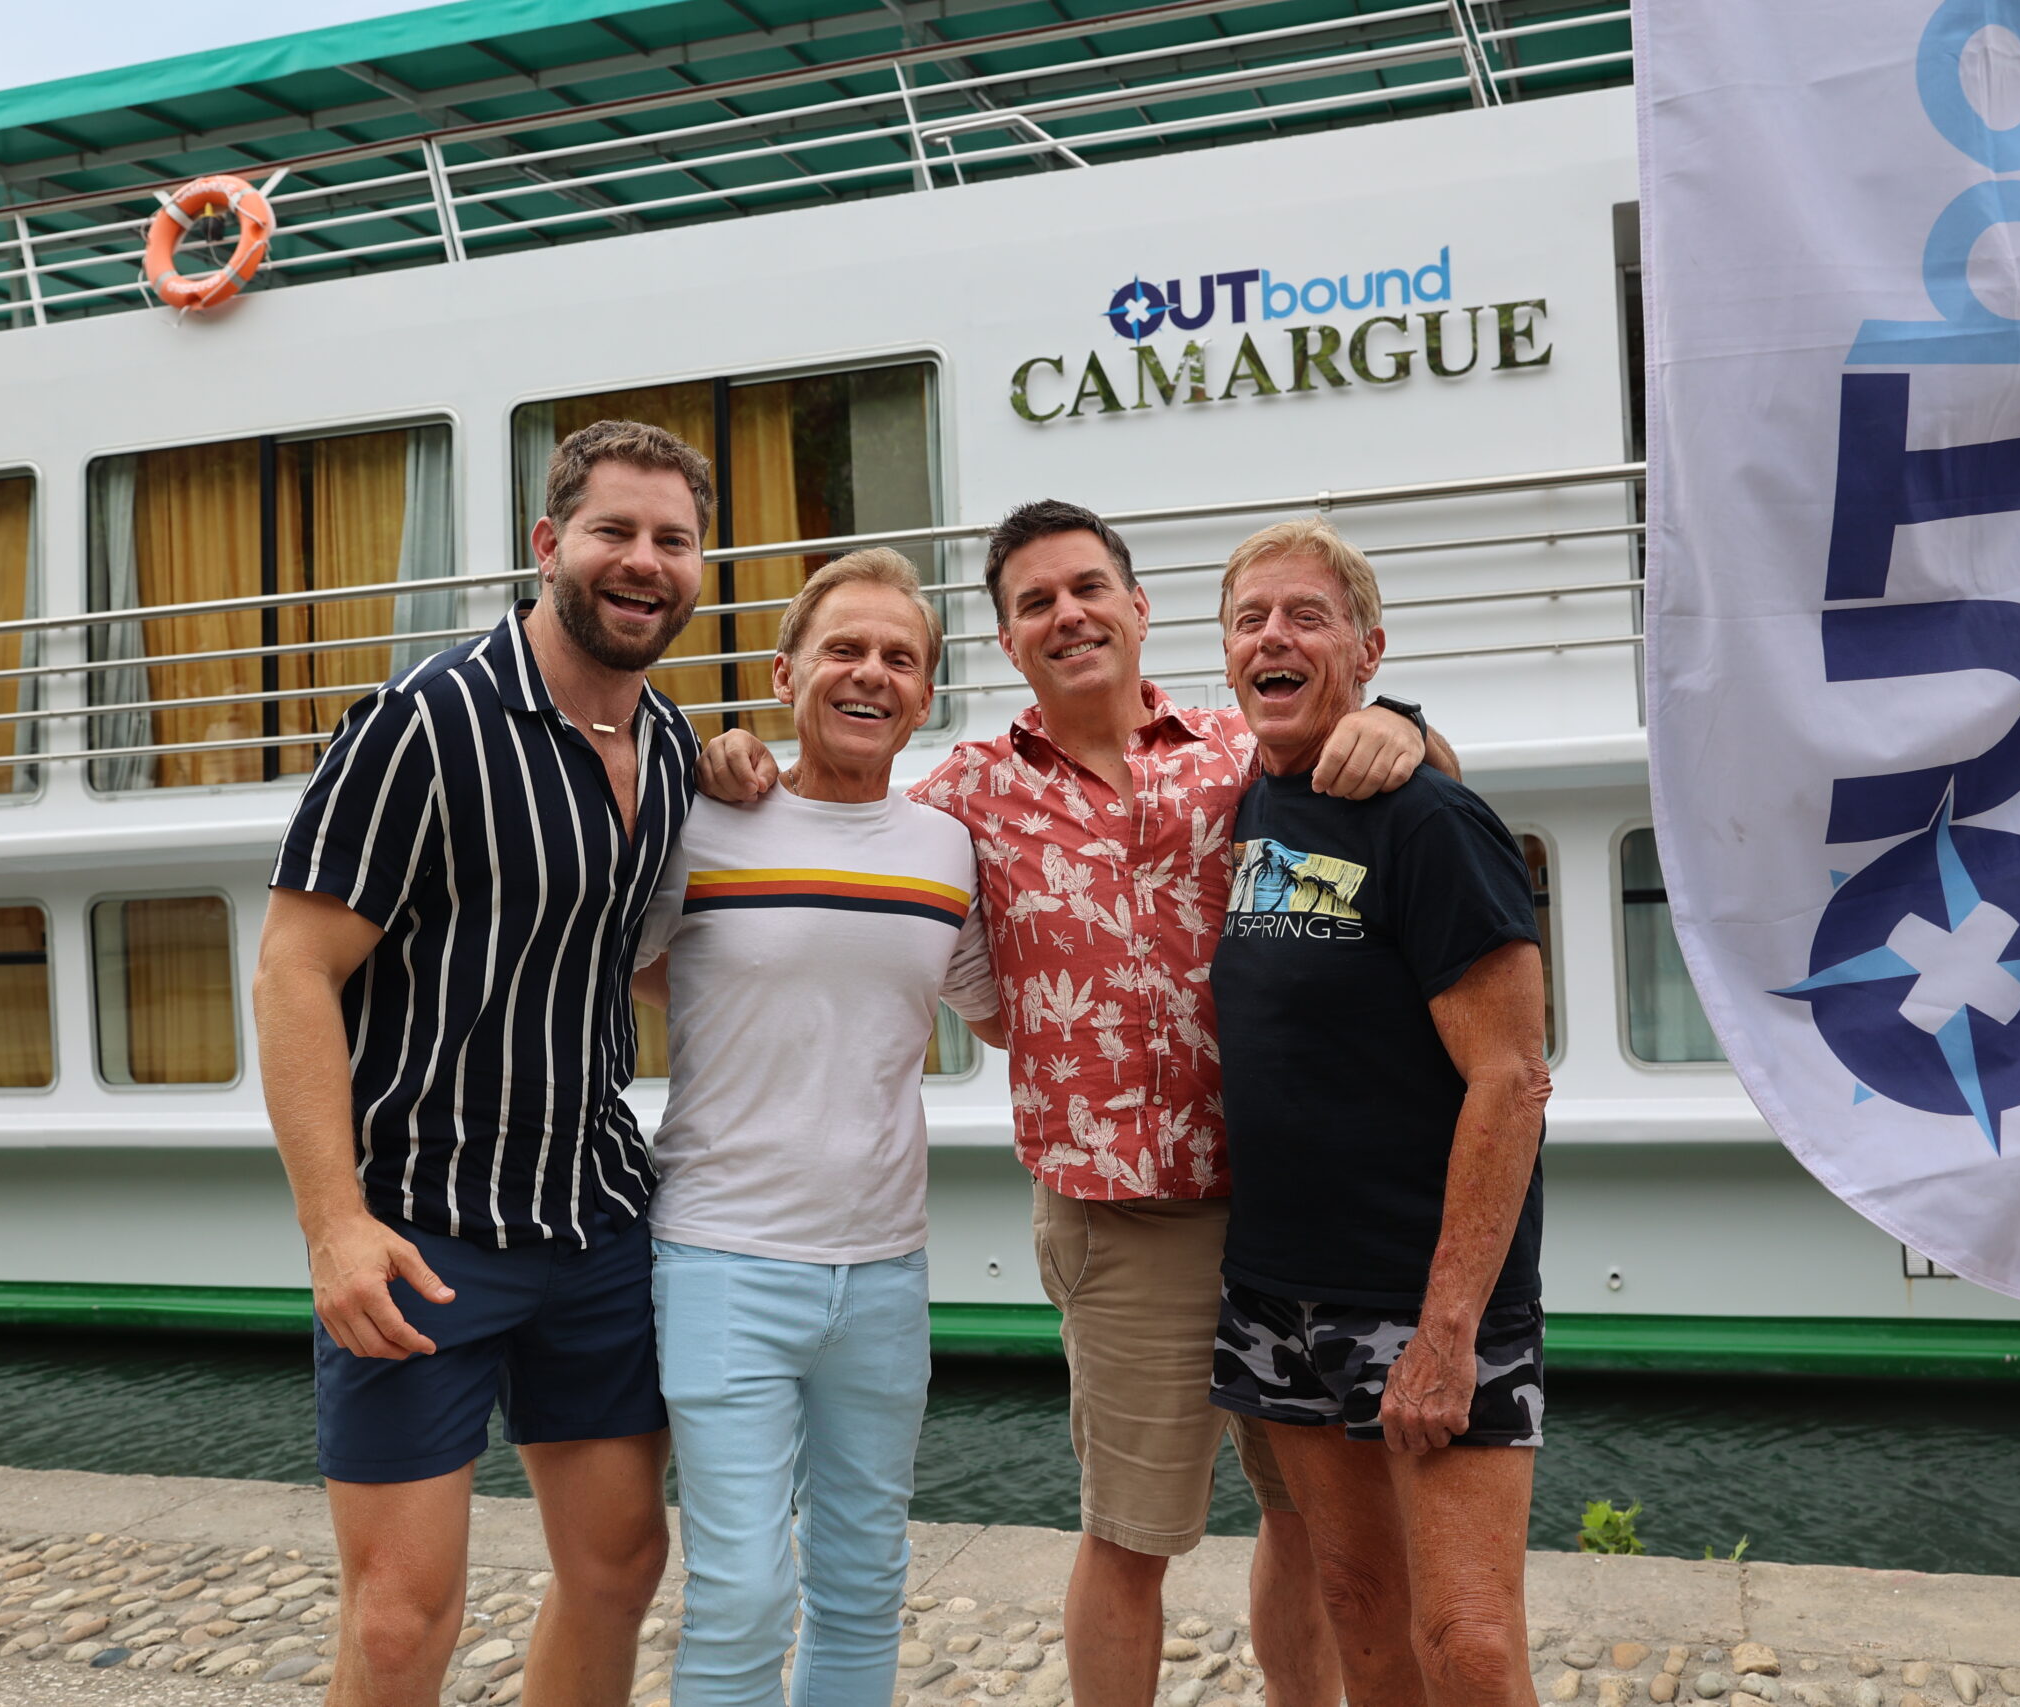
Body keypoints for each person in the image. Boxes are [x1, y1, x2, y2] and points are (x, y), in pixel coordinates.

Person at [698, 499, 1459, 1707]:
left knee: (1314, 1523)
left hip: (1291, 1213)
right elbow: (841, 805)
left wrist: (1400, 722)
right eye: (1035, 603)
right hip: (1121, 1224)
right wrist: (731, 756)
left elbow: (1411, 795)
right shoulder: (965, 797)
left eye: (1087, 588)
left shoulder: (1241, 752)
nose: (1068, 615)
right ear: (1007, 641)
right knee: (1128, 1537)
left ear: (1138, 607)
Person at [253, 419, 712, 1707]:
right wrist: (333, 1225)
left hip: (594, 1220)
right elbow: (293, 970)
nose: (644, 562)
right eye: (615, 531)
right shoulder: (423, 721)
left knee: (620, 1567)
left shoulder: (672, 749)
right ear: (549, 544)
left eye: (673, 540)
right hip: (422, 1235)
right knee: (400, 1623)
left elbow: (625, 954)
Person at [633, 548, 1001, 1707]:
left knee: (860, 1583)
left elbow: (1007, 1013)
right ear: (785, 672)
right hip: (720, 1259)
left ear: (925, 698)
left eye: (900, 657)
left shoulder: (947, 852)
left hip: (885, 1274)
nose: (870, 673)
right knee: (740, 1593)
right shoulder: (700, 822)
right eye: (844, 648)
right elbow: (632, 966)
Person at [1208, 517, 1550, 1707]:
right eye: (1250, 619)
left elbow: (1513, 1077)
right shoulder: (1246, 797)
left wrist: (1448, 1331)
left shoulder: (1432, 823)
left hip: (1425, 1296)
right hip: (1276, 1294)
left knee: (1467, 1640)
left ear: (1367, 650)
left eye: (1305, 615)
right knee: (1357, 1607)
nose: (1274, 637)